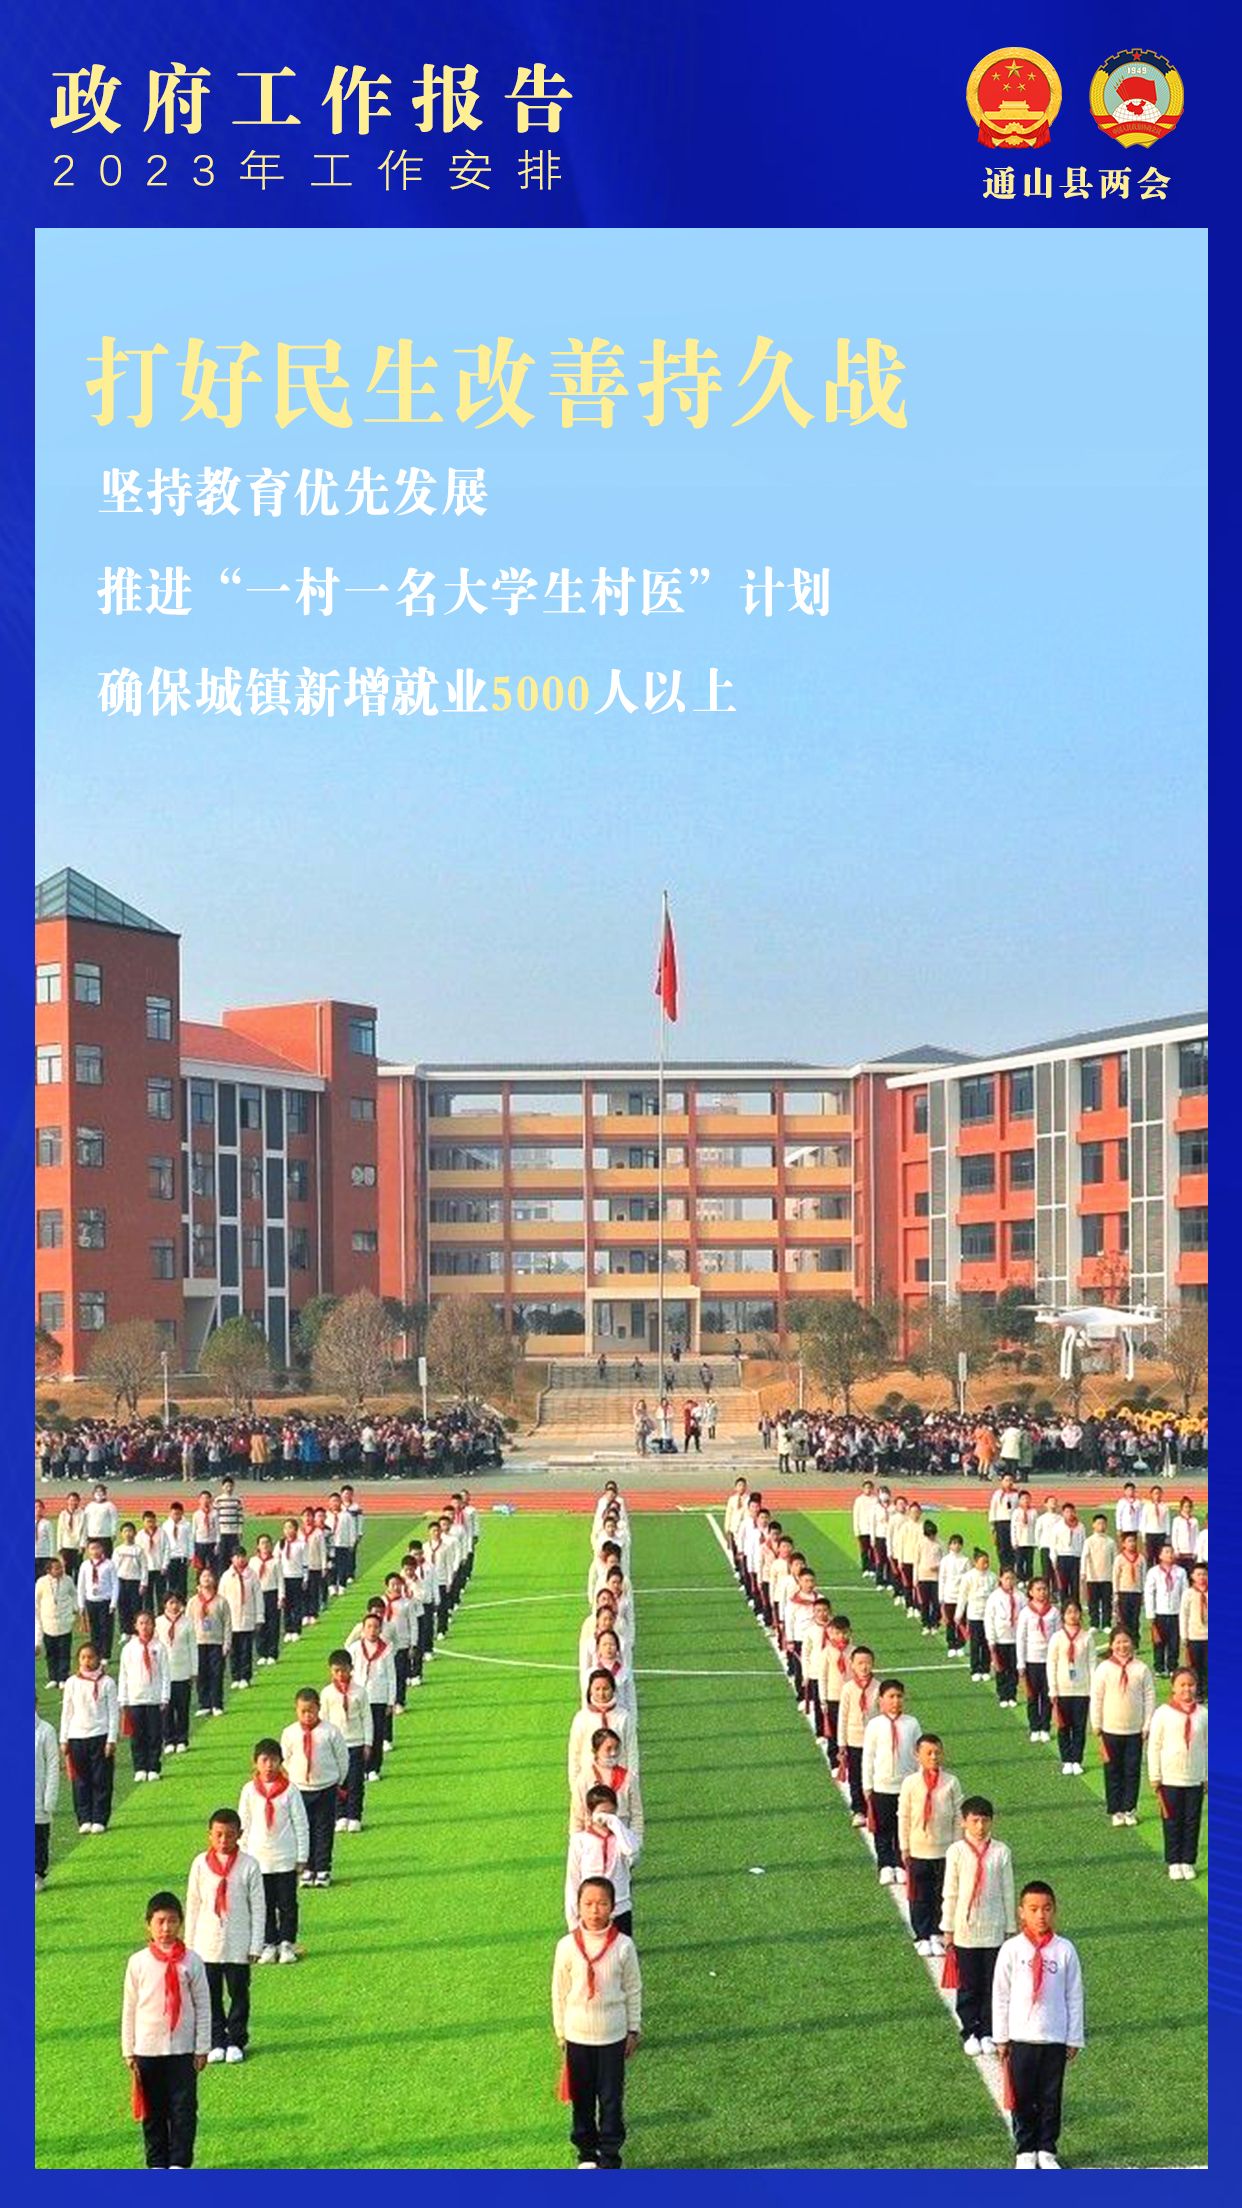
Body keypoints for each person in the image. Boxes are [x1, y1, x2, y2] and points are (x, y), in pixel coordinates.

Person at [551, 1876, 642, 2170]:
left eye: (602, 1903)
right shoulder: (567, 1946)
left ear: (613, 1907)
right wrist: (561, 2032)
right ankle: (587, 2155)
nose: (594, 1910)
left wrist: (633, 2028)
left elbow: (633, 1989)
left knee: (611, 2101)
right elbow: (559, 1992)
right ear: (578, 1906)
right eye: (588, 1903)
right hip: (577, 2037)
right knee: (583, 2100)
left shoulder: (623, 1946)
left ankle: (610, 2157)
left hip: (612, 2036)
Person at [992, 1881, 1085, 2170]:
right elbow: (1000, 1995)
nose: (1040, 1915)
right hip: (1021, 2038)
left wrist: (1074, 2037)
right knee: (1023, 2098)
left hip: (1054, 2037)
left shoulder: (1065, 1950)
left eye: (1046, 1909)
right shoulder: (1011, 1949)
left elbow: (1074, 1995)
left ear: (1054, 1910)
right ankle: (1025, 2149)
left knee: (1050, 2098)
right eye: (1033, 1909)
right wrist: (1001, 2037)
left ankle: (1046, 2149)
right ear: (1021, 1912)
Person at [121, 1892, 211, 2168]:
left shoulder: (192, 1961)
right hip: (147, 2050)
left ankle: (179, 2163)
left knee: (183, 2110)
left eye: (172, 1921)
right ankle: (157, 2163)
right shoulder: (138, 1962)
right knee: (153, 2112)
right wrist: (128, 2049)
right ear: (148, 1924)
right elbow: (130, 2008)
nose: (166, 1928)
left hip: (182, 2050)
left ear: (180, 1923)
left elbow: (203, 2005)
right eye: (160, 1921)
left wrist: (202, 2047)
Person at [184, 1808, 264, 2065]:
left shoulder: (249, 1865)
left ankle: (236, 2039)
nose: (223, 1840)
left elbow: (258, 1906)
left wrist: (256, 1944)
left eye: (230, 1835)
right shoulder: (200, 1864)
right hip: (206, 1944)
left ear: (240, 1834)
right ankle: (216, 2039)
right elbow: (193, 1904)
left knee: (239, 1994)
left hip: (238, 1944)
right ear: (209, 1834)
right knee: (210, 1995)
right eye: (218, 1834)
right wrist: (188, 1945)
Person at [939, 1795, 1015, 2056]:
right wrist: (948, 1928)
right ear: (964, 1822)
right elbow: (950, 1892)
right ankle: (970, 2029)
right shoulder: (956, 1852)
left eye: (984, 1821)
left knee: (992, 1983)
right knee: (969, 1984)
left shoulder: (1001, 1851)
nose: (980, 1827)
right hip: (965, 1931)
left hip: (994, 1930)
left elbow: (1008, 1891)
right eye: (975, 1821)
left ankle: (988, 2030)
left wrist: (1010, 1928)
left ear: (992, 1821)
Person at [239, 1738, 310, 1963]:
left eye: (274, 1760)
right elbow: (244, 1824)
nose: (269, 1766)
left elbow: (300, 1823)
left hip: (285, 1858)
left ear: (281, 1762)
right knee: (264, 1904)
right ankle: (269, 1943)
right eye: (264, 1760)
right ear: (255, 1763)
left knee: (287, 1904)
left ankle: (287, 1943)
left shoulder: (290, 1790)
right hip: (258, 1859)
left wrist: (302, 1856)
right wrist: (242, 1855)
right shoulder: (249, 1791)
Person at [897, 1733, 962, 1956]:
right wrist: (904, 1847)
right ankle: (922, 1934)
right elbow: (904, 1816)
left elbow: (957, 1816)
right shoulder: (910, 1783)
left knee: (941, 1893)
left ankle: (936, 1931)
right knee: (920, 1895)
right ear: (917, 1755)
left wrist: (956, 1845)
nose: (934, 1757)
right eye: (929, 1753)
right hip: (918, 1849)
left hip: (944, 1849)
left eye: (937, 1752)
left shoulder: (951, 1782)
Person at [281, 1688, 349, 1887]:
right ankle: (307, 1868)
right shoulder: (290, 1733)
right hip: (300, 1789)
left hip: (326, 1787)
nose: (307, 1715)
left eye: (311, 1710)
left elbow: (342, 1758)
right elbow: (285, 1759)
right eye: (303, 1711)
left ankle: (323, 1869)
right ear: (296, 1710)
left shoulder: (330, 1731)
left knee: (324, 1829)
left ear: (318, 1708)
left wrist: (338, 1780)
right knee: (303, 1829)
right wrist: (294, 1779)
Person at [1089, 1626, 1156, 1826]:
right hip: (1110, 1729)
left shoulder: (1141, 1669)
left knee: (1132, 1771)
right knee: (1113, 1770)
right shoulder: (1104, 1669)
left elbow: (1149, 1697)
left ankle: (1129, 1809)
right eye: (1118, 1642)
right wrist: (1096, 1723)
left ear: (1132, 1643)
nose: (1122, 1646)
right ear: (1111, 1645)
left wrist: (1147, 1724)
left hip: (1135, 1730)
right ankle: (1116, 1810)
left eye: (1126, 1641)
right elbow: (1096, 1697)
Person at [1147, 1667, 1207, 1880]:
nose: (1186, 1689)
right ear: (1173, 1687)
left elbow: (1208, 1747)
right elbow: (1154, 1745)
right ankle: (1174, 1861)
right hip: (1170, 1777)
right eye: (1182, 1685)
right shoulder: (1163, 1713)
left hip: (1194, 1778)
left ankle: (1188, 1861)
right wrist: (1155, 1775)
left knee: (1192, 1821)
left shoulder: (1203, 1714)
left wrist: (1206, 1776)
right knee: (1172, 1821)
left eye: (1191, 1685)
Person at [862, 1678, 920, 1883]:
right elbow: (868, 1756)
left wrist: (919, 1780)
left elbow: (918, 1753)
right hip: (882, 1786)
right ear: (881, 1700)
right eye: (891, 1697)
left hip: (905, 1785)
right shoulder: (875, 1725)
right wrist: (867, 1785)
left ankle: (900, 1863)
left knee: (902, 1827)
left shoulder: (911, 1723)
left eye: (899, 1696)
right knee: (882, 1828)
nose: (895, 1701)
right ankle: (885, 1864)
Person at [565, 1786, 641, 1935]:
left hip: (620, 1908)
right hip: (591, 1912)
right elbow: (573, 1880)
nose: (606, 1818)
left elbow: (633, 1852)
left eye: (611, 1813)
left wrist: (615, 1823)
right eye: (602, 1813)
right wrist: (572, 1920)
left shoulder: (623, 1837)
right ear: (590, 1813)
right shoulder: (580, 1840)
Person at [60, 1641, 118, 1832]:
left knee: (101, 1779)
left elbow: (113, 1712)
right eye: (82, 1657)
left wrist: (111, 1739)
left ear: (98, 1659)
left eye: (90, 1657)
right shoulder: (72, 1682)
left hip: (100, 1735)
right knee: (80, 1779)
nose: (86, 1661)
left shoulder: (107, 1683)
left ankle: (100, 1818)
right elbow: (67, 1711)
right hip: (77, 1736)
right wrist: (64, 1739)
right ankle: (84, 1818)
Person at [322, 1648, 373, 1828]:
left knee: (355, 1782)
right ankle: (340, 1815)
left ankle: (355, 1816)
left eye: (344, 1670)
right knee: (337, 1781)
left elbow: (366, 1717)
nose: (340, 1674)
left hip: (356, 1743)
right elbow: (324, 1720)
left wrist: (368, 1743)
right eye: (336, 1671)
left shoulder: (360, 1692)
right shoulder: (327, 1693)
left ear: (351, 1668)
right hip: (336, 1745)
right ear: (331, 1671)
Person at [118, 1611, 170, 1782]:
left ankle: (153, 1766)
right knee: (137, 1736)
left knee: (154, 1735)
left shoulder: (159, 1647)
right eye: (141, 1623)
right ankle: (140, 1767)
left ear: (153, 1625)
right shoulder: (129, 1649)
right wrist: (123, 1699)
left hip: (154, 1698)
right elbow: (123, 1675)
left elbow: (165, 1673)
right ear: (135, 1626)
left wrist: (165, 1696)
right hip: (135, 1699)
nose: (145, 1626)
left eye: (148, 1623)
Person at [1046, 1600, 1094, 1775]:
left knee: (1080, 1727)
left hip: (1082, 1690)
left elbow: (1091, 1664)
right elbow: (1051, 1663)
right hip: (1062, 1689)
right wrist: (1053, 1688)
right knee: (1064, 1726)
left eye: (1075, 1612)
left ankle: (1077, 1759)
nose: (1073, 1615)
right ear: (1063, 1615)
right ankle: (1066, 1759)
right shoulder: (1057, 1638)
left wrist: (1093, 1688)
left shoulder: (1087, 1637)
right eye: (1069, 1612)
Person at [838, 1646, 880, 1824]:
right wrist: (842, 1742)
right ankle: (858, 1809)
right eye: (860, 1663)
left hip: (874, 1741)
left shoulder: (878, 1687)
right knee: (855, 1776)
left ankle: (873, 1808)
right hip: (854, 1740)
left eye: (867, 1663)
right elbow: (843, 1716)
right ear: (852, 1665)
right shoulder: (848, 1688)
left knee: (874, 1775)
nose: (864, 1667)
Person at [1015, 1579, 1060, 1744]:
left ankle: (1045, 1727)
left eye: (1044, 1589)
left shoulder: (1053, 1612)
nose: (1042, 1592)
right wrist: (1021, 1662)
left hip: (1049, 1660)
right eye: (1038, 1589)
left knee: (1047, 1695)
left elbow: (1058, 1637)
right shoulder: (1026, 1613)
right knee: (1032, 1696)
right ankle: (1034, 1727)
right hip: (1031, 1660)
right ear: (1031, 1592)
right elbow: (1021, 1638)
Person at [189, 1569, 231, 1718]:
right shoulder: (193, 1602)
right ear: (199, 1580)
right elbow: (188, 1624)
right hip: (198, 1642)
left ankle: (216, 1703)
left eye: (209, 1576)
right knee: (202, 1674)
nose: (207, 1579)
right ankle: (204, 1703)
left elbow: (227, 1623)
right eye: (203, 1576)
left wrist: (227, 1643)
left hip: (216, 1642)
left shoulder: (221, 1601)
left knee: (216, 1674)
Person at [984, 1568, 1025, 1709]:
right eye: (1006, 1578)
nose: (1009, 1581)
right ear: (1000, 1579)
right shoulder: (995, 1597)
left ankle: (1012, 1694)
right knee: (1001, 1668)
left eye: (1012, 1578)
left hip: (1016, 1639)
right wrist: (991, 1639)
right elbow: (989, 1618)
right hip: (1000, 1638)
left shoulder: (1020, 1596)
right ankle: (1003, 1694)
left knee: (1013, 1669)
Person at [1144, 1542, 1188, 1676]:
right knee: (1159, 1641)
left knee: (1174, 1642)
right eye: (1167, 1552)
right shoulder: (1154, 1572)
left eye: (1171, 1552)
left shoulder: (1180, 1572)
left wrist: (1184, 1612)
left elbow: (1184, 1592)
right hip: (1160, 1612)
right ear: (1160, 1556)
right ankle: (1159, 1667)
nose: (1170, 1555)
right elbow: (1149, 1593)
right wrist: (1150, 1614)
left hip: (1176, 1612)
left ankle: (1172, 1666)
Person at [36, 1554, 77, 1687]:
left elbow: (74, 1594)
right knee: (51, 1652)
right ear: (49, 1570)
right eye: (57, 1568)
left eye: (61, 1568)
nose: (60, 1571)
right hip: (48, 1622)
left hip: (65, 1621)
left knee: (64, 1652)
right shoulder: (41, 1582)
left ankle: (63, 1677)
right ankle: (53, 1677)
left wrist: (75, 1608)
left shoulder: (68, 1580)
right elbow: (36, 1601)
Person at [957, 1549, 996, 1681]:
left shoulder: (992, 1576)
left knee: (986, 1642)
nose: (986, 1565)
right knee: (975, 1643)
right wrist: (959, 1613)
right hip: (974, 1614)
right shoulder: (968, 1577)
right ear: (975, 1562)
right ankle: (975, 1669)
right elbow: (963, 1596)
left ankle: (985, 1668)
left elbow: (995, 1597)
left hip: (988, 1616)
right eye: (983, 1562)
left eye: (987, 1562)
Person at [76, 1538, 118, 1661]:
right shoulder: (85, 1565)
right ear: (88, 1550)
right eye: (92, 1548)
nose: (95, 1551)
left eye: (97, 1548)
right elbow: (81, 1585)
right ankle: (96, 1653)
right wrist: (81, 1604)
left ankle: (105, 1655)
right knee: (94, 1630)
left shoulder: (109, 1564)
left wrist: (113, 1603)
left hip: (105, 1601)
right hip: (91, 1601)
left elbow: (115, 1584)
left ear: (102, 1549)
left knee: (106, 1629)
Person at [36, 1697, 59, 1892]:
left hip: (38, 1794)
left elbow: (52, 1765)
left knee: (38, 1836)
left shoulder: (45, 1730)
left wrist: (49, 1798)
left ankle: (37, 1873)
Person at [1081, 1513, 1116, 1631]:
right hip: (1092, 1577)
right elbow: (1084, 1557)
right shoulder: (1089, 1541)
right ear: (1093, 1525)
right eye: (1098, 1523)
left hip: (1107, 1576)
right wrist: (1083, 1572)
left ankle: (1106, 1624)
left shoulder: (1110, 1542)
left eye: (1103, 1523)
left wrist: (1115, 1575)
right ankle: (1094, 1624)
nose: (1101, 1525)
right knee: (1093, 1602)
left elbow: (1115, 1559)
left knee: (1107, 1602)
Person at [1180, 1563, 1208, 1699]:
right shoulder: (1188, 1593)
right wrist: (1184, 1635)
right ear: (1192, 1576)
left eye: (1204, 1574)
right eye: (1199, 1574)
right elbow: (1183, 1615)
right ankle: (1198, 1693)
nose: (1202, 1577)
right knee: (1195, 1666)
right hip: (1194, 1636)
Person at [1112, 1531, 1144, 1645]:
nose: (1132, 1544)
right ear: (1123, 1544)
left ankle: (1135, 1642)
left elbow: (1143, 1576)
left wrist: (1143, 1592)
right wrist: (1116, 1592)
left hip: (1136, 1592)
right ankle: (1125, 1641)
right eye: (1129, 1541)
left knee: (1135, 1619)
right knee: (1124, 1619)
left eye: (1134, 1541)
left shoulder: (1141, 1558)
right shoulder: (1120, 1558)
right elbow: (1116, 1576)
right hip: (1124, 1592)